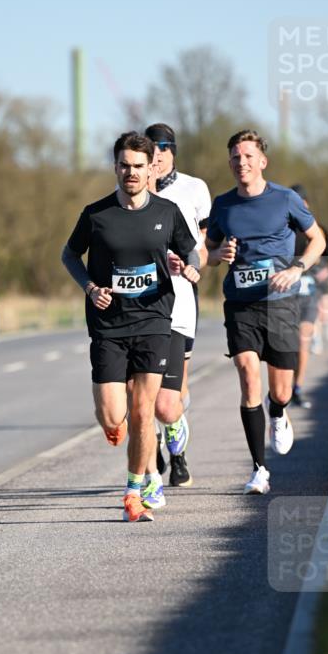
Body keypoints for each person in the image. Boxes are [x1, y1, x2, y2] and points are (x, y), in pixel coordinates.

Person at [61, 131, 200, 522]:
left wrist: (188, 267)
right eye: (124, 165)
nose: (131, 173)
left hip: (154, 321)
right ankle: (122, 436)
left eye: (139, 166)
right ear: (115, 167)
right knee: (112, 416)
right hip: (108, 325)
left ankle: (135, 491)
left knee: (143, 411)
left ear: (150, 167)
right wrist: (90, 287)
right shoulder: (96, 214)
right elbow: (69, 254)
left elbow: (190, 250)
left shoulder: (167, 212)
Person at [205, 130, 325, 495]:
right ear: (230, 163)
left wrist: (297, 268)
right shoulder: (223, 205)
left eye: (247, 156)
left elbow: (318, 239)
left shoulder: (286, 199)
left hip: (280, 303)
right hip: (240, 304)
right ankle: (259, 468)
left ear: (262, 161)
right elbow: (207, 254)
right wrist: (218, 254)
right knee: (247, 374)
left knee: (282, 390)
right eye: (235, 157)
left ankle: (278, 412)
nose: (241, 162)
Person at [138, 122, 211, 503]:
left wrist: (194, 265)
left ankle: (176, 445)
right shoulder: (132, 194)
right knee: (142, 392)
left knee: (172, 397)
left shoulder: (194, 189)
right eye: (151, 148)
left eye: (164, 147)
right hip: (141, 306)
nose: (158, 154)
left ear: (173, 151)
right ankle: (151, 458)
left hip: (181, 298)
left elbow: (202, 247)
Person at [290, 184, 328, 409]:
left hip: (310, 291)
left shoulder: (318, 229)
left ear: (306, 203)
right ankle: (283, 388)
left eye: (301, 202)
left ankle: (297, 387)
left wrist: (325, 271)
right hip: (286, 292)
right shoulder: (282, 228)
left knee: (303, 338)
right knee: (286, 344)